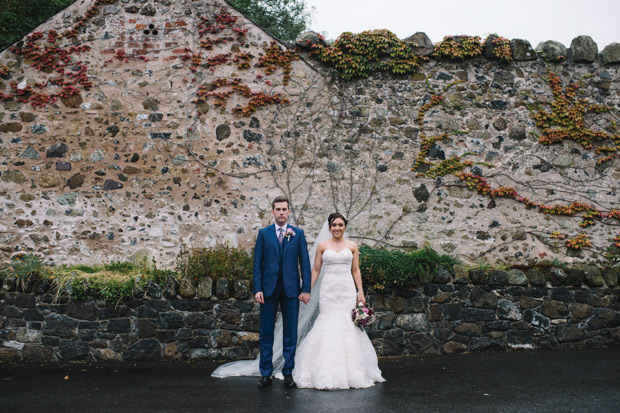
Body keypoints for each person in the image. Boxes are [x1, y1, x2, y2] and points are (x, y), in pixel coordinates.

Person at [292, 212, 385, 390]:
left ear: (345, 227)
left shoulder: (352, 246)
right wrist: (307, 290)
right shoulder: (322, 246)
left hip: (346, 290)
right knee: (327, 322)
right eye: (334, 225)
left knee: (347, 324)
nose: (337, 228)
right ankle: (322, 369)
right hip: (328, 290)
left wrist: (360, 292)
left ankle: (353, 371)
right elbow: (316, 269)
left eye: (340, 225)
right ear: (329, 227)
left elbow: (356, 270)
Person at [252, 196, 311, 389]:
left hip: (291, 290)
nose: (281, 212)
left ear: (288, 211)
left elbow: (304, 263)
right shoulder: (264, 234)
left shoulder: (298, 234)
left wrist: (306, 289)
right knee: (266, 333)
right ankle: (266, 373)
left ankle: (288, 373)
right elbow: (257, 264)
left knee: (290, 334)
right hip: (267, 291)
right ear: (272, 212)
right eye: (278, 209)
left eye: (284, 209)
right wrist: (258, 288)